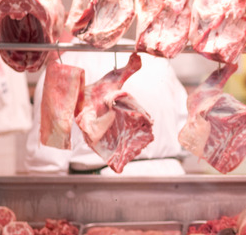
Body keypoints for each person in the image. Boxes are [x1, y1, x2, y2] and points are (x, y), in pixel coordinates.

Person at [22, 39, 189, 176]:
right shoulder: (153, 59)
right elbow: (185, 132)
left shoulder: (64, 67)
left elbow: (47, 162)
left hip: (102, 192)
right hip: (170, 184)